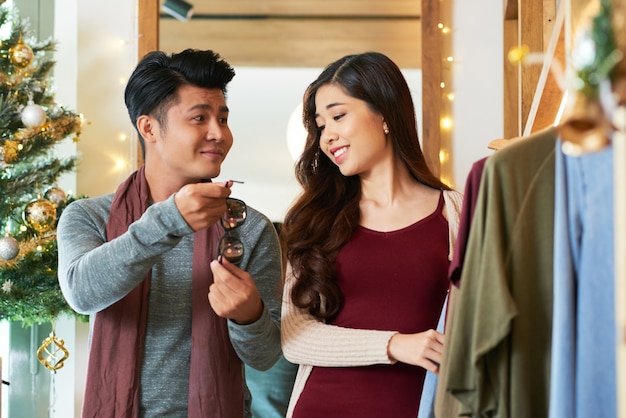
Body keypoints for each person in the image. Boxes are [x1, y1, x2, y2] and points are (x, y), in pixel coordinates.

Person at [57, 49, 282, 418]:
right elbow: (81, 292)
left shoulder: (248, 227)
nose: (218, 133)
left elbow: (265, 356)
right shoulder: (88, 216)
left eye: (223, 119)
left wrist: (249, 315)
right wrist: (170, 219)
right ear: (149, 128)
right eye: (199, 118)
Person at [279, 51, 463, 418]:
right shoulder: (315, 218)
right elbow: (295, 337)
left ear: (383, 113)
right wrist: (394, 345)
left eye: (338, 115)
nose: (327, 136)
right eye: (320, 125)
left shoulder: (455, 211)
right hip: (322, 406)